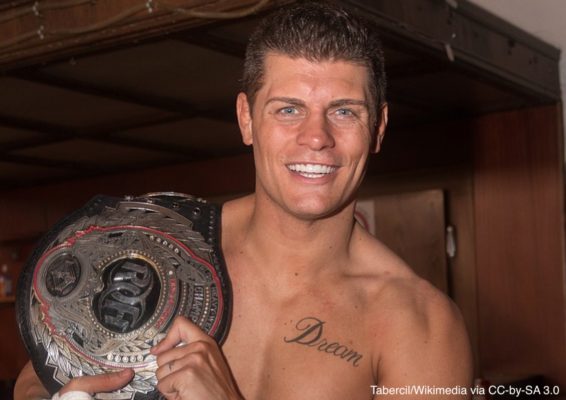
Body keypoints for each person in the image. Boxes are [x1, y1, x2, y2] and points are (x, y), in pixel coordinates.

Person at [15, 1, 473, 399]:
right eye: (288, 110)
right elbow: (39, 375)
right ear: (246, 119)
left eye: (344, 111)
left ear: (378, 128)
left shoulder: (418, 324)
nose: (316, 137)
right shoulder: (159, 245)